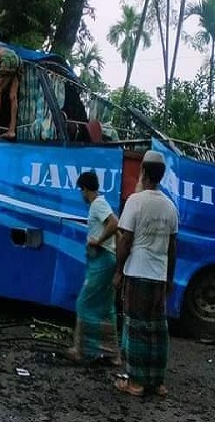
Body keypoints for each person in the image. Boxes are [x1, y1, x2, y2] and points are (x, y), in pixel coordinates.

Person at [114, 150, 178, 397]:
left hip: (138, 273)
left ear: (143, 172)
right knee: (157, 329)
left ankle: (136, 383)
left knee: (135, 328)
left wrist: (119, 270)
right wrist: (169, 279)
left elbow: (125, 240)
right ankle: (158, 383)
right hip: (159, 277)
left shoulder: (135, 201)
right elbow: (172, 248)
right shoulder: (170, 207)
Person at [65, 171, 121, 365]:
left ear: (85, 189)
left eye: (81, 190)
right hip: (105, 260)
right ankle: (113, 353)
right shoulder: (100, 204)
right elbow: (115, 229)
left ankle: (81, 350)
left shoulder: (98, 204)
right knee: (105, 307)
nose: (81, 194)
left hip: (103, 261)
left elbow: (114, 223)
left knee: (84, 303)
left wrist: (98, 241)